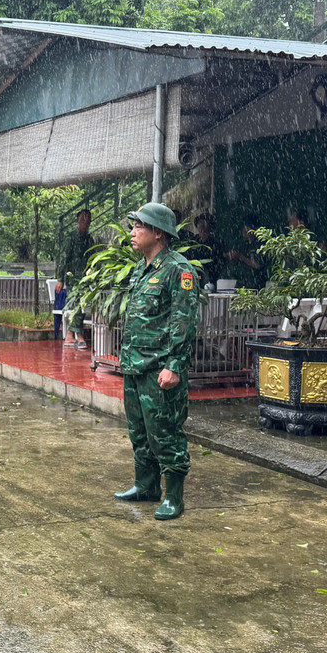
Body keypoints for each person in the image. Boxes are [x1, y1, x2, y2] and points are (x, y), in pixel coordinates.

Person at [113, 203, 198, 522]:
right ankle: (146, 486)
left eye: (139, 227)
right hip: (136, 366)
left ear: (158, 233)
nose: (132, 232)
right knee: (140, 431)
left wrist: (174, 365)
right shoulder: (140, 269)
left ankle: (174, 497)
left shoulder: (179, 269)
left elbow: (184, 321)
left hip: (160, 368)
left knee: (165, 432)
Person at [55, 209, 94, 348]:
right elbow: (63, 259)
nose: (85, 221)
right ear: (77, 220)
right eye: (82, 218)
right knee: (77, 304)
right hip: (72, 278)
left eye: (87, 218)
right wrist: (60, 278)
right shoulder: (70, 237)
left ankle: (70, 335)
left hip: (85, 278)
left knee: (79, 304)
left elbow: (93, 258)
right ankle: (79, 335)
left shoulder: (90, 239)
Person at [225, 213, 267, 290]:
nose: (244, 231)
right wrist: (232, 256)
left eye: (247, 228)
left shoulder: (261, 244)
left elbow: (257, 264)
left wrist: (240, 256)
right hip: (242, 283)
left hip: (255, 284)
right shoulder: (244, 244)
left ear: (255, 229)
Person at [193, 214, 225, 286]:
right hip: (195, 274)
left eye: (204, 225)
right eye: (199, 225)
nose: (201, 228)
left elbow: (218, 260)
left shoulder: (216, 242)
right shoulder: (193, 241)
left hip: (211, 276)